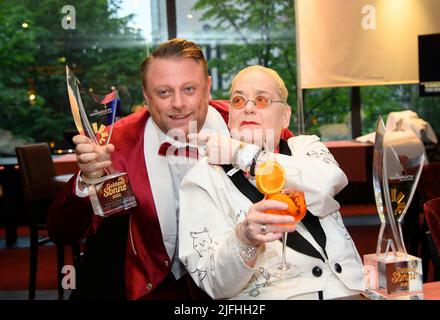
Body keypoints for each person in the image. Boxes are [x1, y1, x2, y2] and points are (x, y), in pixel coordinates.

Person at [47, 38, 229, 300]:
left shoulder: (242, 123)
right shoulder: (116, 144)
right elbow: (63, 232)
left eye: (189, 89)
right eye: (164, 92)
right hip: (155, 286)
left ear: (208, 87)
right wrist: (87, 179)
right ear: (146, 95)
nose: (178, 103)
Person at [178, 65, 365, 300]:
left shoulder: (306, 148)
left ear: (285, 116)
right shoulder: (202, 179)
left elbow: (326, 185)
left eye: (262, 100)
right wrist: (244, 237)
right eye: (238, 100)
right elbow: (214, 282)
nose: (248, 107)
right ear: (230, 117)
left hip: (353, 291)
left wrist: (243, 155)